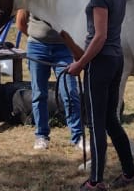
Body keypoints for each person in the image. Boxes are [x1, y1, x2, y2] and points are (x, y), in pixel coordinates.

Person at [63, 0, 134, 191]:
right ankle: (129, 173)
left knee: (96, 123)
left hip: (100, 62)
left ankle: (95, 181)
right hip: (116, 59)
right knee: (110, 120)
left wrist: (80, 64)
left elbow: (99, 36)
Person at [15, 8, 83, 151]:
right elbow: (20, 23)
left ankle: (77, 137)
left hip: (63, 48)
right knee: (39, 94)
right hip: (37, 47)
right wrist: (38, 37)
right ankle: (41, 135)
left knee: (70, 92)